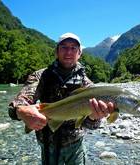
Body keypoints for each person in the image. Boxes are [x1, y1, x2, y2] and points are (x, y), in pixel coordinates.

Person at [8, 32, 115, 165]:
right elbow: (20, 101)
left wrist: (94, 117)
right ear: (56, 52)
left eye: (73, 48)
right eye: (64, 47)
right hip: (48, 145)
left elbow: (92, 126)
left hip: (75, 145)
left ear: (79, 53)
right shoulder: (40, 76)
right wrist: (21, 111)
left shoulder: (87, 85)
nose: (68, 52)